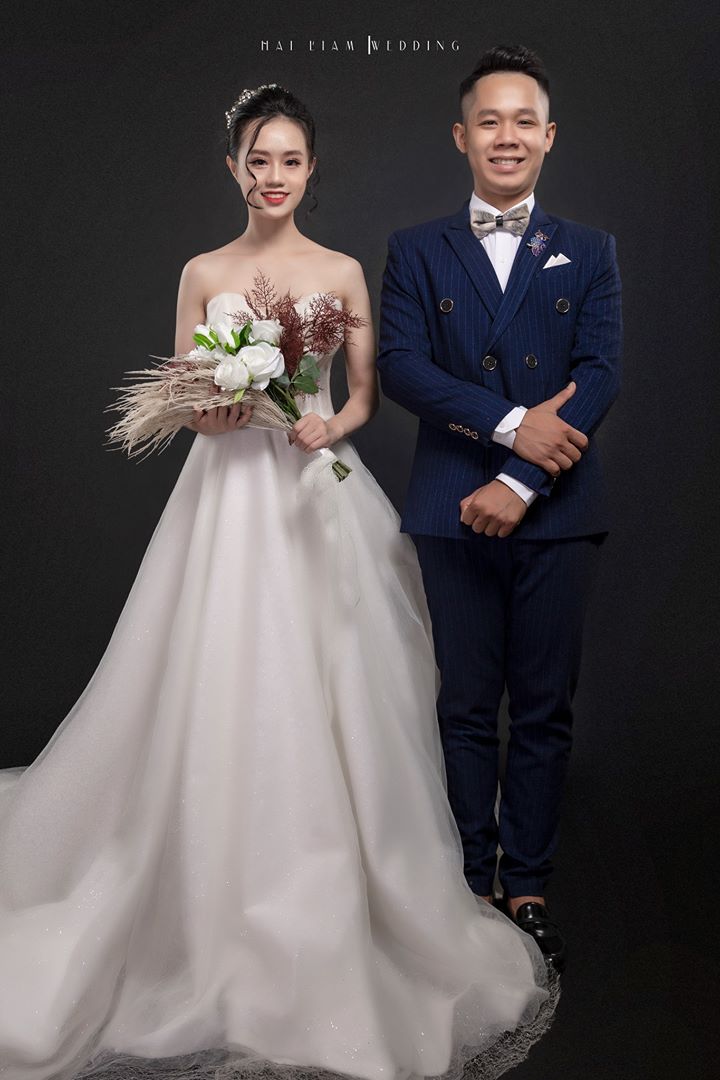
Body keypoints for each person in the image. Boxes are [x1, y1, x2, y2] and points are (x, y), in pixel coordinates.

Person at [0, 84, 557, 1080]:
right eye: (257, 161)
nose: (273, 177)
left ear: (311, 170)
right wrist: (212, 408)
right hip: (223, 500)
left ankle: (336, 887)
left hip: (312, 492)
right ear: (233, 169)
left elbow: (365, 394)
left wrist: (324, 423)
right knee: (212, 674)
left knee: (334, 685)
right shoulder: (203, 270)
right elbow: (183, 389)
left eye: (289, 161)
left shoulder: (339, 270)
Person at [377, 45, 622, 973]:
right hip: (451, 503)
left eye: (525, 120)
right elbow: (402, 366)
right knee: (466, 703)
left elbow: (599, 373)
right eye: (490, 120)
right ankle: (469, 882)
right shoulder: (415, 248)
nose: (507, 135)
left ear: (549, 137)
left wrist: (521, 479)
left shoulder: (590, 250)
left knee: (546, 707)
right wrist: (514, 424)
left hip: (557, 509)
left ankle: (527, 883)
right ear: (461, 136)